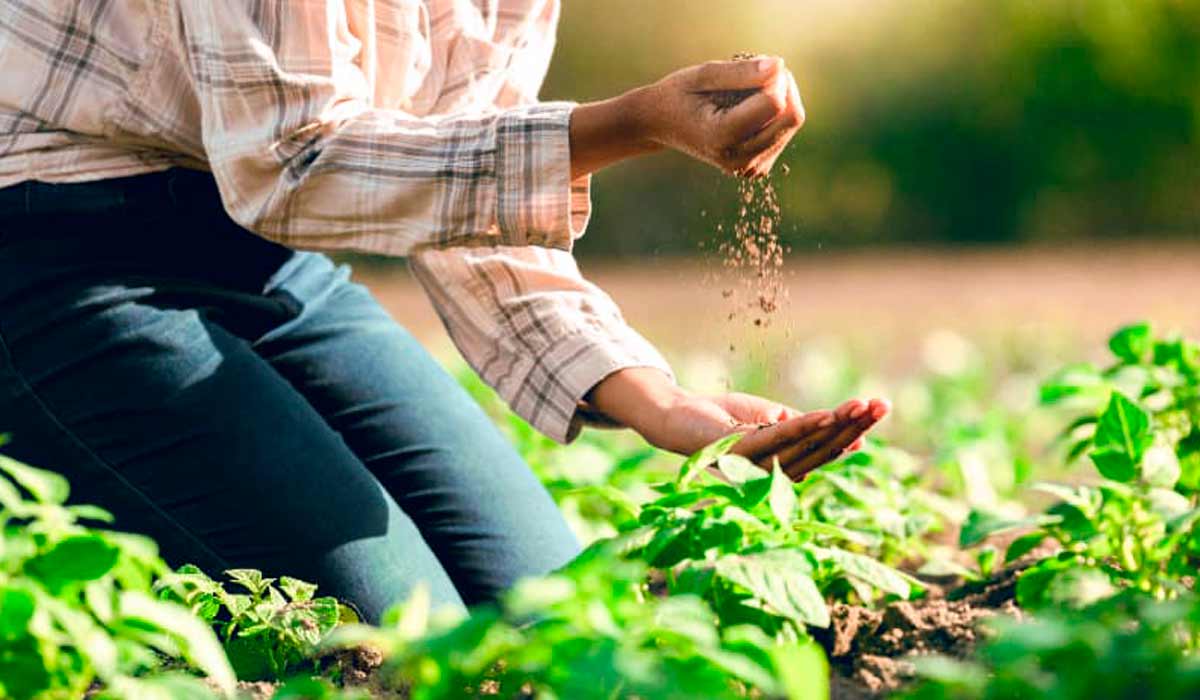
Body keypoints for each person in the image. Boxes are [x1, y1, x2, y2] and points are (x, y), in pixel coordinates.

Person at [0, 0, 888, 623]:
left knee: (549, 611)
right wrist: (632, 125)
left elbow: (474, 187)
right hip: (52, 247)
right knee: (393, 636)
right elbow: (292, 162)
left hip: (264, 261)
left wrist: (659, 404)